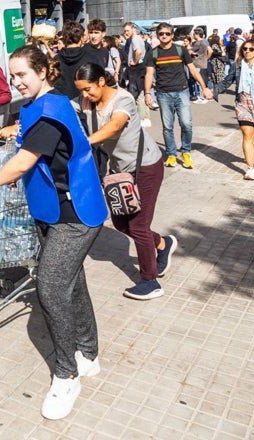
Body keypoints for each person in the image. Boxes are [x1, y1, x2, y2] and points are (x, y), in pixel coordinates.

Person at [0, 45, 107, 421]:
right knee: (71, 281)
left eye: (23, 75)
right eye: (12, 76)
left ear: (44, 71)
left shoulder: (51, 112)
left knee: (50, 287)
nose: (16, 82)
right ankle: (88, 353)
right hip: (52, 210)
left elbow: (24, 160)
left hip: (76, 212)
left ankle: (66, 375)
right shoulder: (38, 105)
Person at [74, 63, 177, 300]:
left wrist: (85, 143)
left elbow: (115, 125)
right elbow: (61, 111)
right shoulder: (86, 101)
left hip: (146, 167)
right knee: (122, 224)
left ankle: (150, 282)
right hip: (120, 172)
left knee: (139, 226)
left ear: (101, 81)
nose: (84, 95)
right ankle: (163, 244)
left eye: (88, 89)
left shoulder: (123, 99)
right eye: (80, 90)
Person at [143, 23, 213, 169]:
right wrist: (148, 93)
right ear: (157, 35)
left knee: (186, 123)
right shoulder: (153, 53)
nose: (164, 36)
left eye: (167, 34)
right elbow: (149, 74)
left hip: (182, 91)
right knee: (167, 127)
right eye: (161, 34)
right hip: (163, 93)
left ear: (172, 35)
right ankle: (171, 154)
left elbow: (193, 70)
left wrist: (204, 88)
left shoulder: (180, 50)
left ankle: (186, 152)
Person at [214, 39, 254, 180]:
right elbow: (227, 80)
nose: (247, 51)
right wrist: (214, 90)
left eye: (250, 49)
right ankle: (250, 168)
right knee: (247, 134)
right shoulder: (237, 66)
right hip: (242, 103)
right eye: (245, 49)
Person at [52, 21, 107, 101]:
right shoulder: (92, 58)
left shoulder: (55, 60)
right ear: (81, 38)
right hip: (86, 102)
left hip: (61, 103)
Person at [121, 22, 148, 116]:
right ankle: (144, 117)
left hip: (136, 68)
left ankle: (141, 117)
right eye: (125, 31)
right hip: (138, 67)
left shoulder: (135, 39)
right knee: (139, 93)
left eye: (127, 30)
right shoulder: (137, 39)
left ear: (133, 29)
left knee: (136, 93)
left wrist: (135, 61)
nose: (126, 33)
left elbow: (139, 52)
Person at [188, 33, 211, 103]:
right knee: (202, 79)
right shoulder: (205, 41)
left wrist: (206, 58)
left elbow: (189, 51)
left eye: (194, 34)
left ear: (197, 34)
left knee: (198, 80)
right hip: (202, 63)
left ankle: (201, 97)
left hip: (198, 63)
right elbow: (210, 50)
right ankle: (202, 96)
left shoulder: (199, 43)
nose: (193, 35)